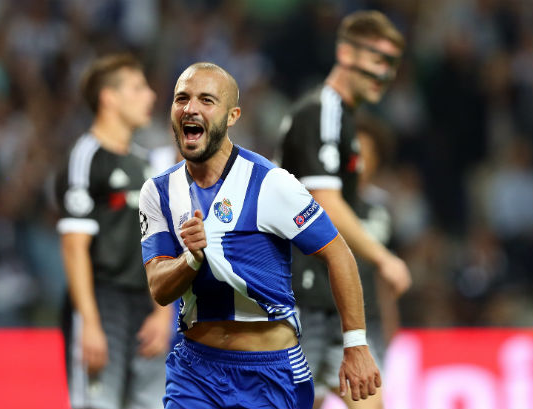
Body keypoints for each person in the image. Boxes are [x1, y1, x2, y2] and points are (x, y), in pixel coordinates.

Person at [138, 62, 380, 409]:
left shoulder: (270, 183)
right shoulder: (157, 192)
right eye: (182, 98)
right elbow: (160, 288)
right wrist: (191, 259)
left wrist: (355, 344)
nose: (191, 108)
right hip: (195, 371)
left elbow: (338, 252)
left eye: (207, 100)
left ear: (232, 115)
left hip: (270, 373)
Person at [280, 11, 412, 409]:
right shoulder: (325, 110)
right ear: (344, 53)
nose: (384, 73)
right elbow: (325, 203)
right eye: (376, 59)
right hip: (300, 294)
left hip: (328, 294)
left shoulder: (344, 120)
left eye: (390, 64)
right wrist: (384, 257)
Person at [55, 53, 171, 409]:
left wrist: (162, 313)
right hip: (102, 303)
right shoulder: (86, 157)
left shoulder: (146, 164)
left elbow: (163, 243)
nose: (150, 96)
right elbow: (74, 247)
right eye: (138, 88)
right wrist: (89, 323)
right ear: (109, 97)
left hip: (145, 307)